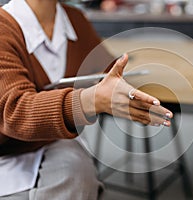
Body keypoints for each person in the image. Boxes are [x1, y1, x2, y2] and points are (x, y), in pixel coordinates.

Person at [0, 0, 173, 199]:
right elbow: (15, 112)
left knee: (76, 169)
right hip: (10, 154)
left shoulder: (74, 19)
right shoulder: (4, 28)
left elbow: (104, 68)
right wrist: (91, 100)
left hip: (53, 145)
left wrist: (120, 82)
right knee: (75, 171)